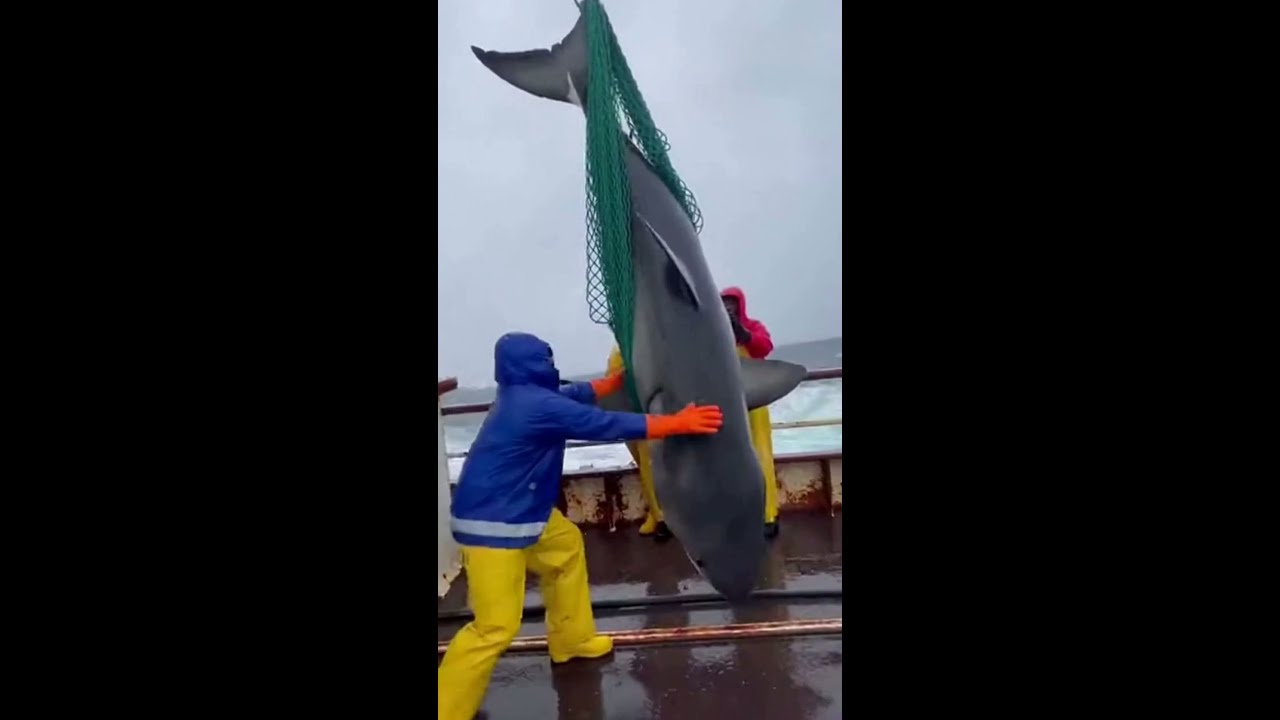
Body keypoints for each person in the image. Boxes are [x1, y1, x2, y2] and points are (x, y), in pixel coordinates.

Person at [438, 332, 724, 720]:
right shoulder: (535, 406)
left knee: (566, 546)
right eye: (547, 358)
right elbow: (603, 423)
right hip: (493, 526)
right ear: (534, 364)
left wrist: (605, 384)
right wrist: (678, 422)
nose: (552, 365)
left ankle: (572, 640)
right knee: (494, 627)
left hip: (524, 513)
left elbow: (571, 398)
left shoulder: (521, 395)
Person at [720, 286, 782, 539]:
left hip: (755, 400)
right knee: (728, 459)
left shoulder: (754, 326)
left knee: (761, 456)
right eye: (724, 303)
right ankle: (740, 516)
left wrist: (744, 335)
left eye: (732, 303)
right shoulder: (715, 331)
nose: (728, 308)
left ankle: (769, 515)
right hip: (727, 403)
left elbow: (764, 348)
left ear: (740, 305)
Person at [606, 346, 672, 540]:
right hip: (630, 414)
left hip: (654, 415)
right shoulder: (619, 351)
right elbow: (611, 383)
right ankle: (656, 513)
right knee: (644, 466)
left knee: (655, 464)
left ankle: (663, 518)